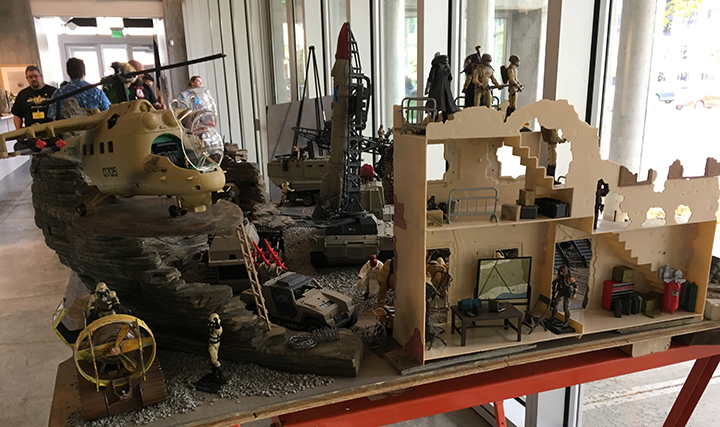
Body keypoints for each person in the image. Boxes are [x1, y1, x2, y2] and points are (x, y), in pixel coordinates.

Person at [425, 52, 458, 122]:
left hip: (436, 88)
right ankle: (445, 122)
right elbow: (450, 78)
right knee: (445, 106)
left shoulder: (435, 66)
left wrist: (427, 88)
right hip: (446, 89)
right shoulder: (447, 66)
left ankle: (435, 120)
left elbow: (431, 78)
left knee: (434, 105)